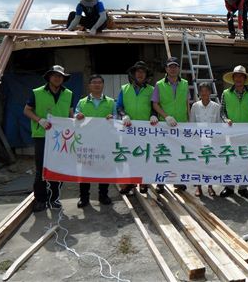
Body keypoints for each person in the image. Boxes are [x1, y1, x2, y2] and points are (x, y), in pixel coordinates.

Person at [23, 65, 74, 212]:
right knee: (41, 169)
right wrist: (39, 120)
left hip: (62, 138)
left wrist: (76, 120)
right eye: (55, 75)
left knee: (58, 168)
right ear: (49, 77)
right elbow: (26, 110)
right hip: (42, 136)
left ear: (63, 78)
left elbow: (70, 113)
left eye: (60, 76)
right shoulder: (37, 92)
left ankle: (54, 198)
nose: (58, 78)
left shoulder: (68, 94)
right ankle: (40, 199)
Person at [75, 75, 116, 208]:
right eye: (94, 82)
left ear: (103, 85)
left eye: (99, 82)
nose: (97, 85)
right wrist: (78, 116)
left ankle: (103, 195)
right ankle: (84, 198)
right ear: (89, 85)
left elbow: (117, 118)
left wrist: (113, 117)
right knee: (85, 170)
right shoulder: (82, 102)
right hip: (87, 141)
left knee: (104, 169)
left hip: (105, 141)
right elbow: (75, 116)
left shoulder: (111, 102)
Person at [116, 61, 157, 195]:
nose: (140, 74)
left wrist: (153, 115)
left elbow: (154, 106)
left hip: (146, 129)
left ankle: (144, 182)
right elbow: (119, 106)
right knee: (129, 157)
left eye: (143, 72)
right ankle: (130, 183)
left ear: (146, 75)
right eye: (137, 71)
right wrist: (123, 115)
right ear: (133, 74)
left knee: (145, 156)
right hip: (129, 129)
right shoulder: (124, 88)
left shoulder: (151, 89)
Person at [152, 57, 190, 192]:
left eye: (175, 66)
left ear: (178, 68)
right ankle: (160, 182)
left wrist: (189, 121)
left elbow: (187, 103)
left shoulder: (185, 83)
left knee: (179, 154)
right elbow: (155, 103)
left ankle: (177, 181)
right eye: (170, 67)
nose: (173, 69)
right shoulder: (159, 84)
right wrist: (166, 116)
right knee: (164, 154)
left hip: (181, 125)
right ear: (166, 69)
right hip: (165, 125)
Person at [219, 65, 248, 198]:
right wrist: (226, 119)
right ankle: (229, 187)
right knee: (230, 159)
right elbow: (222, 111)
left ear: (245, 79)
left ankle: (243, 187)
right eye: (236, 76)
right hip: (231, 132)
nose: (239, 78)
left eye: (241, 76)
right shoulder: (226, 93)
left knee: (245, 160)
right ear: (233, 78)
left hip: (247, 133)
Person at [189, 82, 221, 197]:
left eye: (206, 90)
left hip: (211, 140)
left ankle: (210, 187)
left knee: (210, 163)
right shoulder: (195, 106)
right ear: (199, 93)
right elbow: (192, 123)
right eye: (202, 91)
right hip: (198, 140)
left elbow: (218, 124)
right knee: (198, 163)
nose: (204, 93)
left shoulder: (216, 107)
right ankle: (198, 187)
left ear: (210, 92)